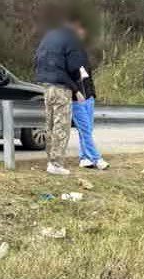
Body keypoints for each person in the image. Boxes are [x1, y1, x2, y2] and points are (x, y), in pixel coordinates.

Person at [34, 14, 91, 176]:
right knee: (62, 125)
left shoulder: (49, 37)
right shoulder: (71, 39)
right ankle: (56, 163)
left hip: (46, 86)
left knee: (50, 124)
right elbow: (74, 66)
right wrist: (76, 88)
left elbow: (37, 59)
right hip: (61, 88)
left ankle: (50, 160)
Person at [68, 21, 108, 170]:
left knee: (87, 130)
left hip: (88, 98)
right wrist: (75, 93)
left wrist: (92, 94)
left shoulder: (83, 54)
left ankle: (85, 158)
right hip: (76, 100)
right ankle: (96, 158)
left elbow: (88, 77)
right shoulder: (67, 56)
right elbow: (67, 78)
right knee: (85, 129)